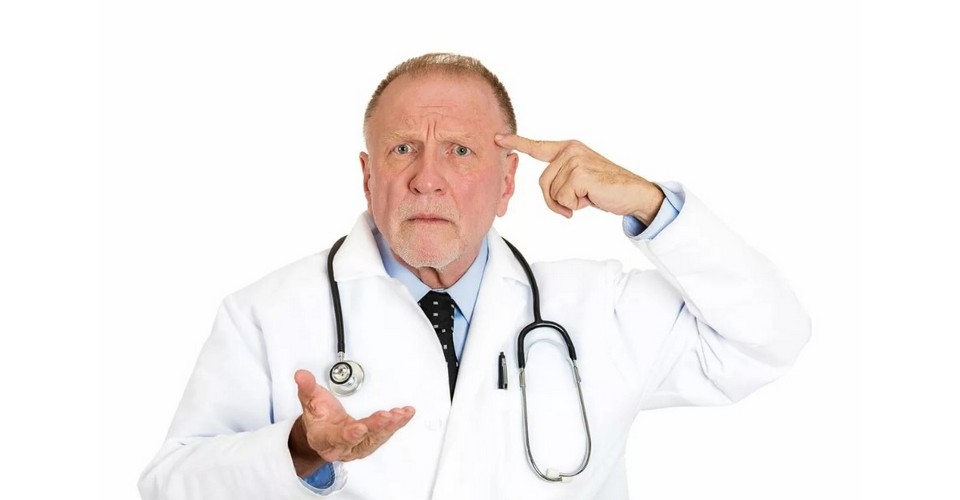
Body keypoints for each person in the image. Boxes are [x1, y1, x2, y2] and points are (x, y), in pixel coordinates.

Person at [139, 53, 810, 500]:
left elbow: (770, 338)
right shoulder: (265, 314)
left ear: (507, 180)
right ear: (368, 175)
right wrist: (299, 450)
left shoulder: (597, 307)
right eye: (403, 149)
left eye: (460, 150)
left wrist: (650, 204)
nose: (426, 178)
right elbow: (170, 484)